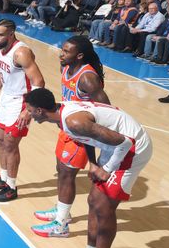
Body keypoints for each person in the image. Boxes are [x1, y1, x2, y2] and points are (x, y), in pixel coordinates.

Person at [25, 88, 152, 248]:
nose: (28, 114)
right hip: (115, 147)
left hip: (132, 148)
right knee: (93, 201)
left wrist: (107, 169)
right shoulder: (63, 118)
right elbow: (87, 138)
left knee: (103, 208)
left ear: (40, 111)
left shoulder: (73, 121)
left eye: (30, 110)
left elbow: (125, 143)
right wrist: (93, 163)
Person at [32, 36, 110, 237]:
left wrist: (95, 140)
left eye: (67, 51)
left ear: (80, 55)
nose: (61, 54)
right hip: (67, 127)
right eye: (62, 49)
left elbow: (106, 109)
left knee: (67, 174)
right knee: (61, 169)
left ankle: (61, 225)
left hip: (81, 133)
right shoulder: (65, 68)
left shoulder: (87, 78)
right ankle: (62, 211)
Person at [0, 19, 45, 202]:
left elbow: (39, 82)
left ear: (11, 34)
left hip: (21, 101)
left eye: (0, 35)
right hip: (6, 98)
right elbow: (1, 72)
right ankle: (3, 178)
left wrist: (28, 110)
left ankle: (11, 187)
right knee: (1, 140)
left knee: (10, 144)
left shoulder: (21, 53)